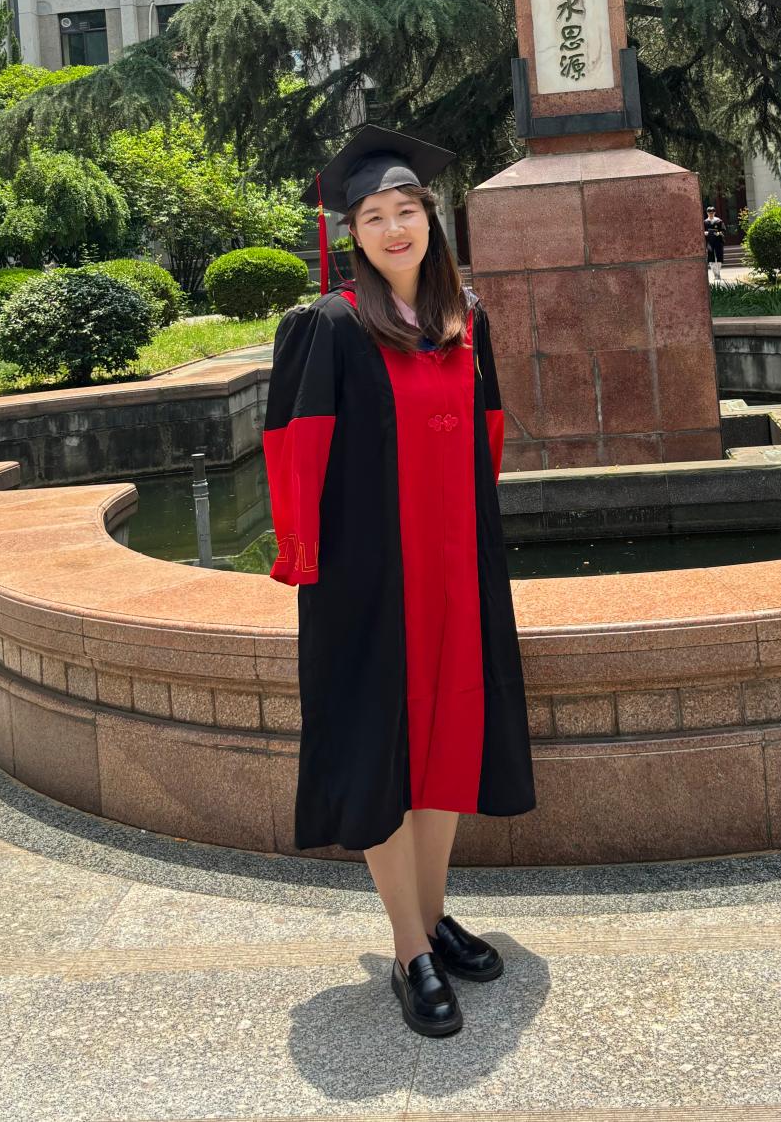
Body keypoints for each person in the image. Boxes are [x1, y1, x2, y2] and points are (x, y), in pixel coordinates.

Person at [263, 125, 535, 1040]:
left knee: (448, 739)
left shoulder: (465, 322)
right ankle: (409, 947)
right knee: (384, 753)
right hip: (370, 581)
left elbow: (486, 436)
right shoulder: (332, 326)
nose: (393, 228)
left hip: (456, 569)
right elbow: (296, 447)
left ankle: (435, 910)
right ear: (353, 233)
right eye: (374, 216)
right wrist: (304, 556)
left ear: (431, 219)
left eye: (406, 210)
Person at [704, 205, 726, 284]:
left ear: (714, 212)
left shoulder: (719, 221)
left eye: (712, 212)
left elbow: (723, 230)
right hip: (709, 242)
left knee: (719, 256)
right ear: (707, 213)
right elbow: (702, 230)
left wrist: (718, 233)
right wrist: (705, 233)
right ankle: (715, 274)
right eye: (709, 212)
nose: (711, 214)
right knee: (711, 257)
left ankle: (718, 273)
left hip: (718, 241)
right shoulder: (705, 222)